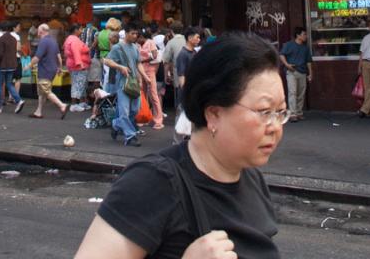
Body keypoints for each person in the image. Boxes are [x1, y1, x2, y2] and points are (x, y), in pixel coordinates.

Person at [75, 32, 287, 259]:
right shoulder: (151, 184)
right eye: (265, 112)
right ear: (214, 114)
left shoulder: (252, 179)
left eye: (281, 112)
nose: (275, 126)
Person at [104, 22, 148, 147]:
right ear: (126, 33)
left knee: (134, 111)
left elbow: (138, 63)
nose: (135, 36)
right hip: (122, 84)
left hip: (134, 83)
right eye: (132, 33)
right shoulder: (118, 47)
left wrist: (144, 77)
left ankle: (116, 124)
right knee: (124, 112)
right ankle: (130, 136)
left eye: (136, 34)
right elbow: (106, 61)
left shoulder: (135, 47)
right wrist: (120, 67)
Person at [29, 23, 68, 119]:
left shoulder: (43, 42)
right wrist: (59, 67)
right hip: (52, 69)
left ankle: (62, 105)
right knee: (42, 92)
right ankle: (38, 111)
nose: (37, 31)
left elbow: (37, 57)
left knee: (45, 91)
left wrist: (29, 65)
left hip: (45, 70)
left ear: (41, 31)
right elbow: (58, 56)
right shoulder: (53, 41)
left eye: (38, 29)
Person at [0, 22, 25, 114]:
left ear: (2, 29)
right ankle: (18, 100)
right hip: (12, 65)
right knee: (9, 84)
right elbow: (16, 51)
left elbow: (0, 53)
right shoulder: (14, 39)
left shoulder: (1, 39)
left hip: (2, 65)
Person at [280, 27, 313, 122]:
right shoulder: (289, 45)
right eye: (304, 34)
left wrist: (310, 73)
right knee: (292, 92)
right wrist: (287, 65)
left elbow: (309, 61)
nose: (306, 36)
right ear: (298, 35)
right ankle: (293, 114)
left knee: (301, 93)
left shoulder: (305, 48)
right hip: (291, 72)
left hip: (302, 72)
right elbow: (281, 55)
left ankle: (299, 112)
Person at [138, 28, 164, 130]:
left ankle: (158, 120)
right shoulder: (137, 44)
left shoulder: (150, 42)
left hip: (150, 71)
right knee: (142, 95)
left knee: (153, 95)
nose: (137, 38)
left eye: (139, 36)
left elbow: (155, 55)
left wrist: (143, 60)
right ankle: (144, 117)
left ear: (142, 36)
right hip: (141, 71)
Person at [63, 23, 91, 112]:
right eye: (80, 29)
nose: (82, 31)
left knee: (81, 84)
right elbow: (76, 52)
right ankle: (74, 104)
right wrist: (80, 64)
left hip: (74, 65)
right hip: (78, 66)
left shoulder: (70, 39)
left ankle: (81, 102)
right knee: (77, 84)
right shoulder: (74, 40)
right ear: (76, 30)